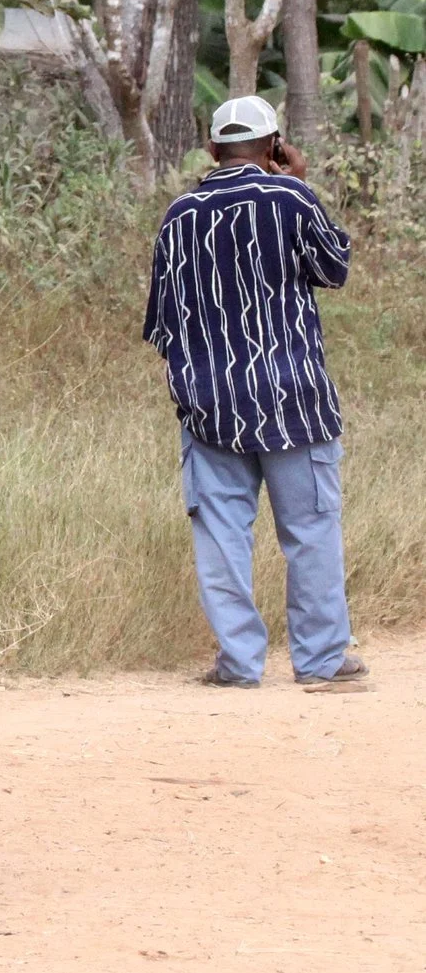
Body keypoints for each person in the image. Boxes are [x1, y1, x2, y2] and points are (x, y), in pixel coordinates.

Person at [143, 96, 363, 689]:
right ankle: (319, 662)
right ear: (274, 146)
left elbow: (162, 325)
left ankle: (239, 664)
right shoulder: (290, 197)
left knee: (221, 537)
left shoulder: (179, 214)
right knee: (310, 530)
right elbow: (334, 267)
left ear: (212, 150)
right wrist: (300, 181)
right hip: (294, 397)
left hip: (209, 402)